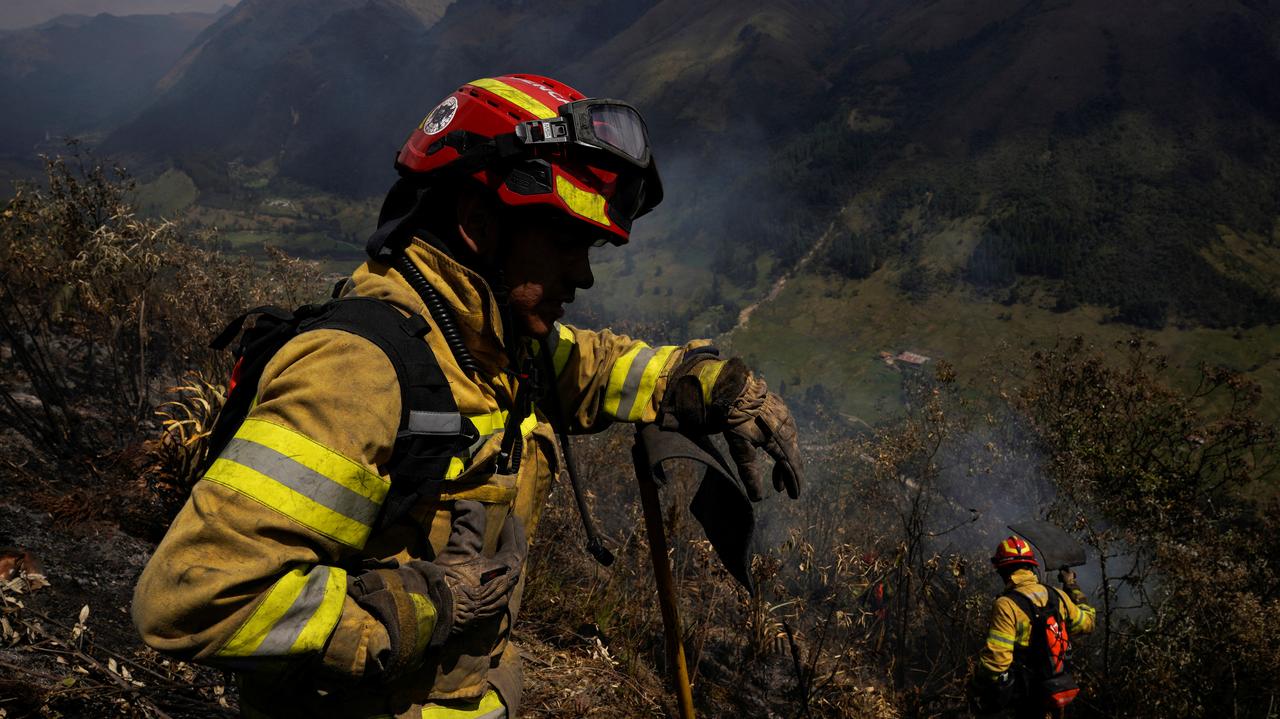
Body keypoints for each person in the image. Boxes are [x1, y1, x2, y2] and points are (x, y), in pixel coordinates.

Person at [132, 74, 804, 718]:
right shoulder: (356, 372)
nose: (585, 274)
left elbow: (595, 367)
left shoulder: (490, 345)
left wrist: (701, 378)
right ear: (481, 221)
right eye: (569, 241)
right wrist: (419, 605)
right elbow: (195, 599)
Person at [971, 536, 1096, 719]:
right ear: (1031, 567)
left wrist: (975, 685)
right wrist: (1071, 585)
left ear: (1003, 571)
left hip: (1025, 701)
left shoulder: (1007, 605)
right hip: (1056, 693)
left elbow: (996, 664)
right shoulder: (1058, 595)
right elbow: (1088, 623)